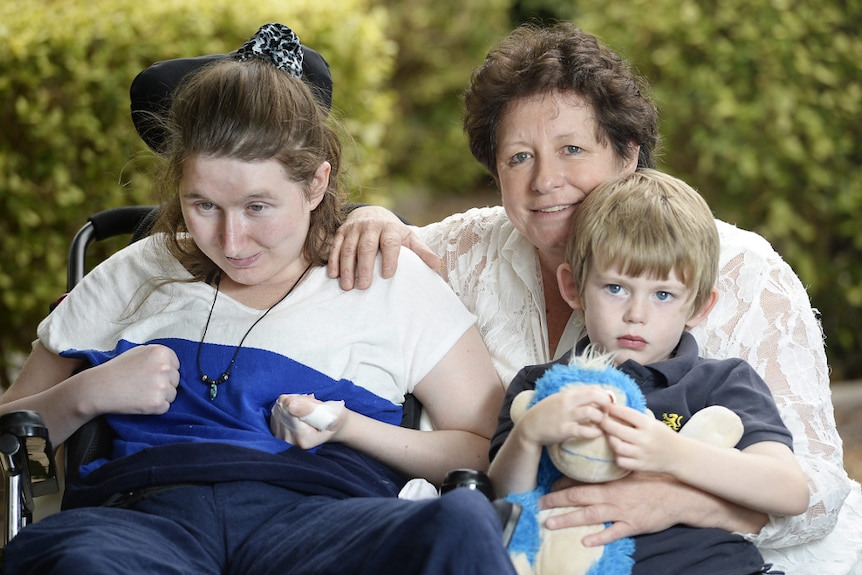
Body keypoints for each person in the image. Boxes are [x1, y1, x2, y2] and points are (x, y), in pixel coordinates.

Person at [328, 22, 862, 573]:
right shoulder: (470, 251)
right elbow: (388, 244)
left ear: (628, 155)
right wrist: (368, 216)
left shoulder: (744, 270)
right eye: (518, 157)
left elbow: (815, 489)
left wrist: (679, 500)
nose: (545, 181)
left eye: (572, 149)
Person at [0, 24, 516, 575]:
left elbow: (481, 450)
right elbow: (10, 431)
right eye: (202, 205)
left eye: (258, 207)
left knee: (459, 523)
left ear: (316, 185)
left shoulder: (386, 277)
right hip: (143, 521)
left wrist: (349, 428)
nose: (231, 240)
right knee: (76, 561)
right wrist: (88, 393)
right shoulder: (136, 271)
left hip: (327, 524)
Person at [489, 168, 810, 573]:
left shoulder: (721, 381)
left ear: (697, 308)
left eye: (662, 294)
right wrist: (530, 433)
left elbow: (790, 491)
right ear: (573, 287)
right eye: (615, 288)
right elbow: (502, 501)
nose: (636, 315)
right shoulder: (541, 385)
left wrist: (671, 453)